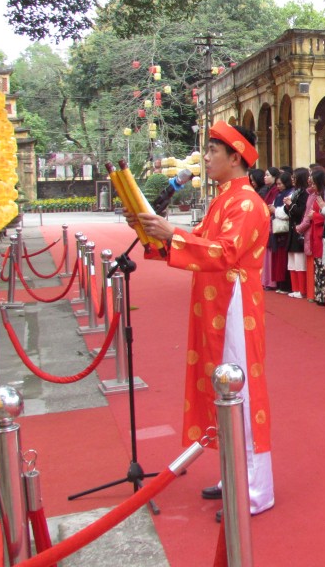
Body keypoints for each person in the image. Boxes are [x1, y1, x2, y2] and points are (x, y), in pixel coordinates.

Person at [133, 121, 273, 518]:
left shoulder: (246, 203)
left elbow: (224, 252)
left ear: (236, 157)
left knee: (240, 392)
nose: (205, 158)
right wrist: (158, 236)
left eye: (213, 151)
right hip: (215, 304)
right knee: (222, 391)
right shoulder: (223, 200)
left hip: (234, 306)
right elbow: (199, 242)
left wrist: (171, 235)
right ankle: (233, 477)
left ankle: (256, 490)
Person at [284, 167, 310, 299]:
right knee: (292, 260)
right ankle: (295, 288)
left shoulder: (305, 194)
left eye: (295, 177)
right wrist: (287, 205)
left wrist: (291, 204)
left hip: (300, 230)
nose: (292, 179)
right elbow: (290, 212)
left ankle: (301, 289)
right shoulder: (296, 192)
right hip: (292, 229)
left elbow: (301, 212)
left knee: (300, 261)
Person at [307, 168, 325, 304]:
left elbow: (324, 215)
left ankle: (323, 295)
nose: (312, 186)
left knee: (322, 267)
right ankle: (319, 294)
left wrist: (313, 215)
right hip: (315, 233)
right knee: (317, 266)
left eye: (314, 183)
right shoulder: (317, 194)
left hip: (320, 233)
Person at [260, 167, 282, 291]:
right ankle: (266, 279)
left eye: (268, 175)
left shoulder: (274, 191)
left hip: (272, 223)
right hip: (266, 223)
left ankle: (270, 281)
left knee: (270, 253)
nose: (265, 177)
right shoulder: (268, 190)